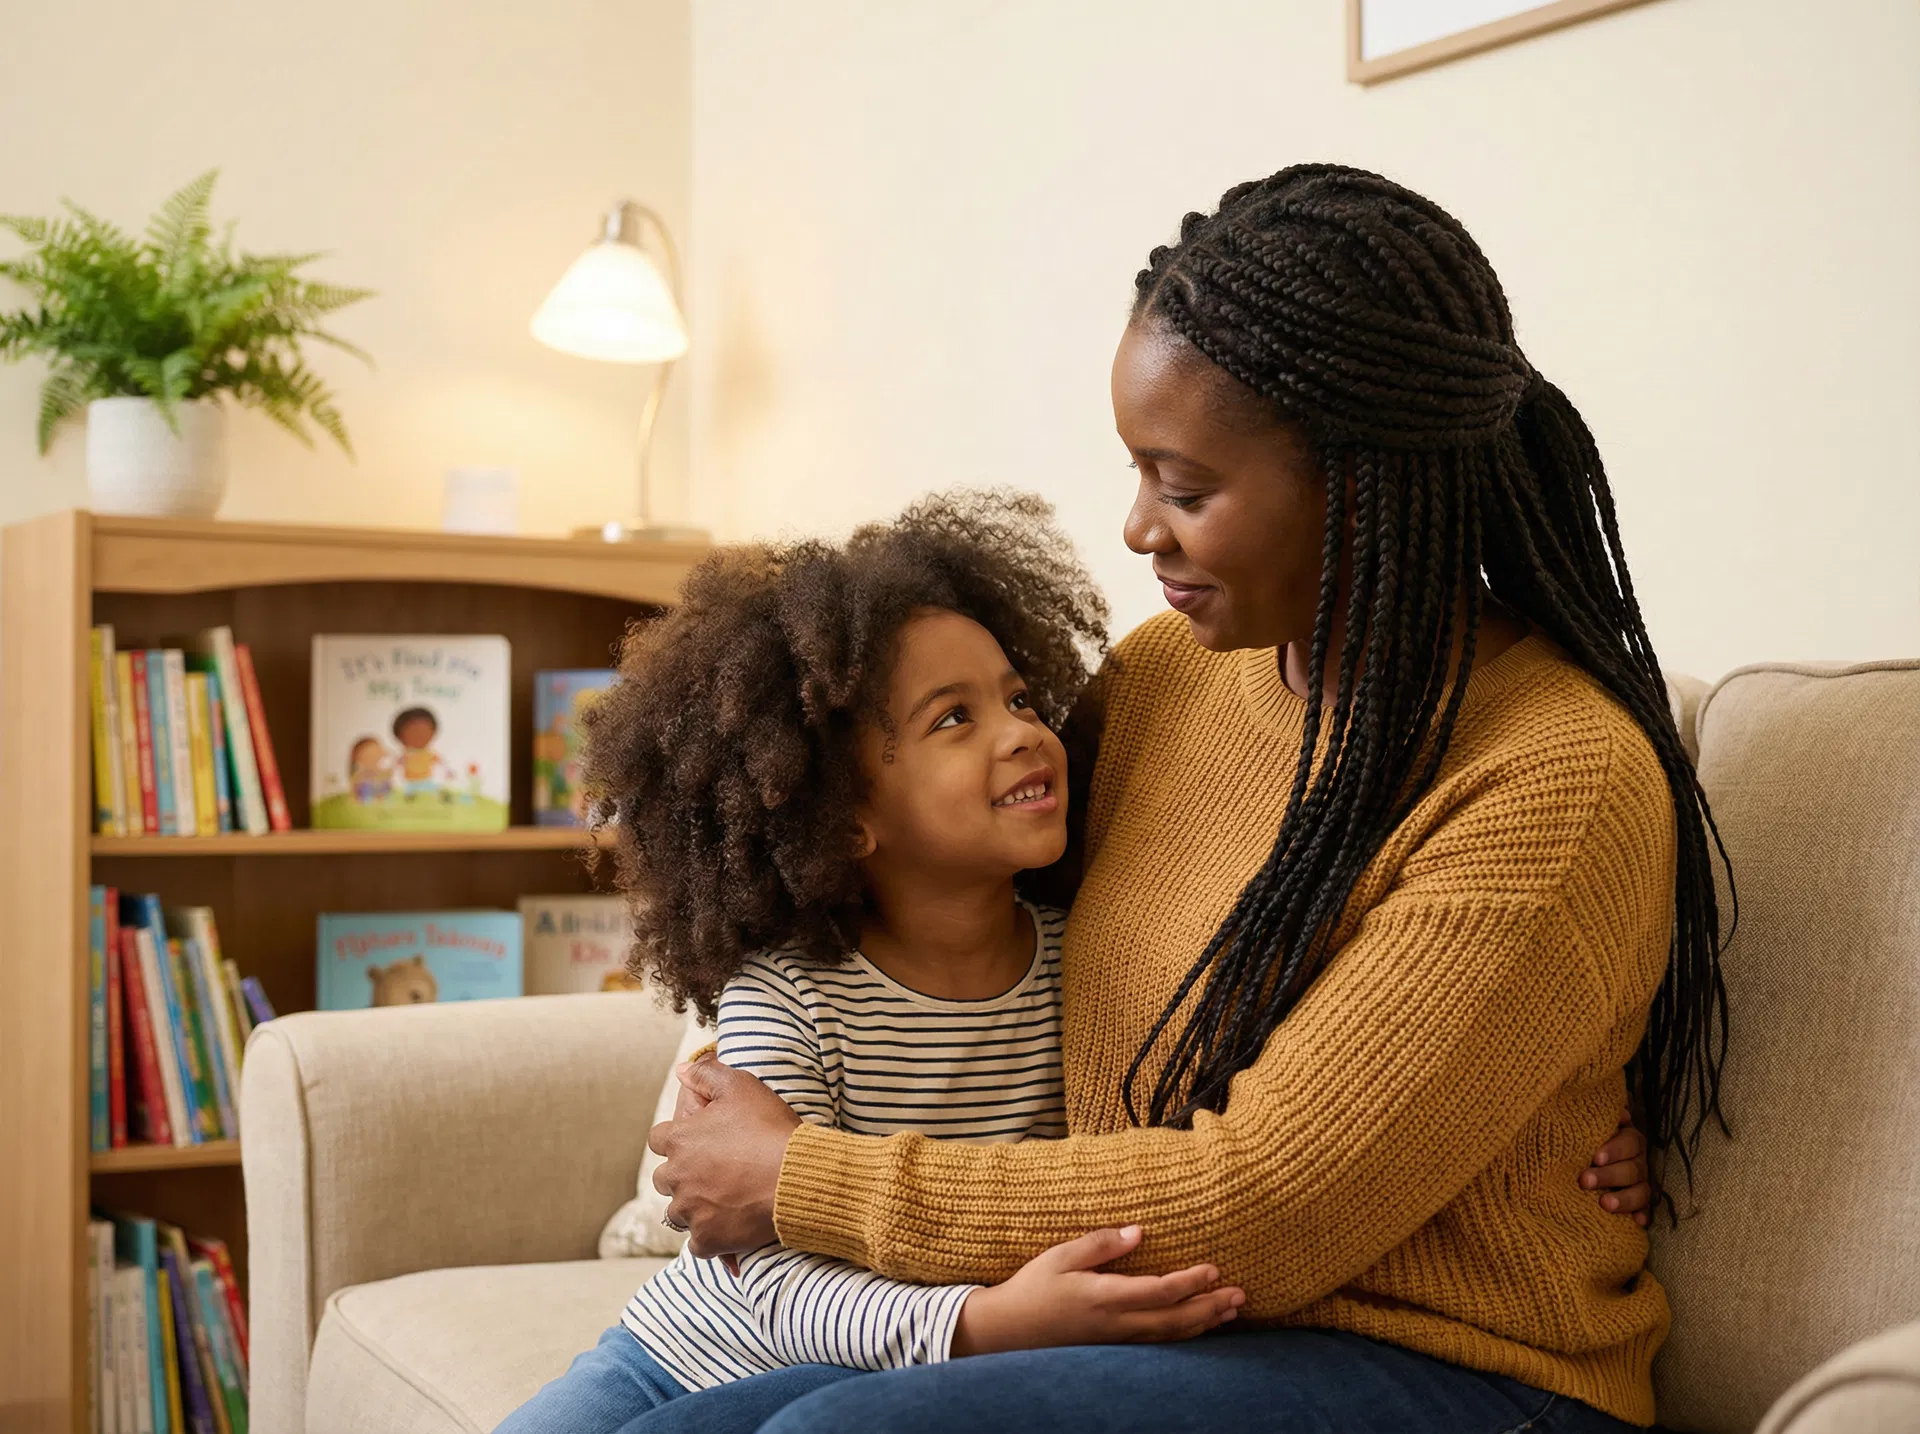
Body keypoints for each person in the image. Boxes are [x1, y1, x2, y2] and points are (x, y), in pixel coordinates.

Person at [645, 164, 1724, 1433]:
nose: (1138, 528)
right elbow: (925, 882)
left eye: (1186, 488)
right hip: (1187, 1329)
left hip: (1461, 1373)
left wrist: (801, 1179)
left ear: (1359, 486)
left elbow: (1264, 1203)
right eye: (1140, 474)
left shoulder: (1552, 776)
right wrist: (741, 1072)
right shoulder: (1169, 679)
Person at [496, 495, 1249, 1434]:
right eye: (954, 718)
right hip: (684, 1361)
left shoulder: (1086, 965)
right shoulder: (790, 996)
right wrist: (983, 1323)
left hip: (897, 1389)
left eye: (1019, 699)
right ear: (844, 818)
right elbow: (770, 1282)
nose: (1021, 731)